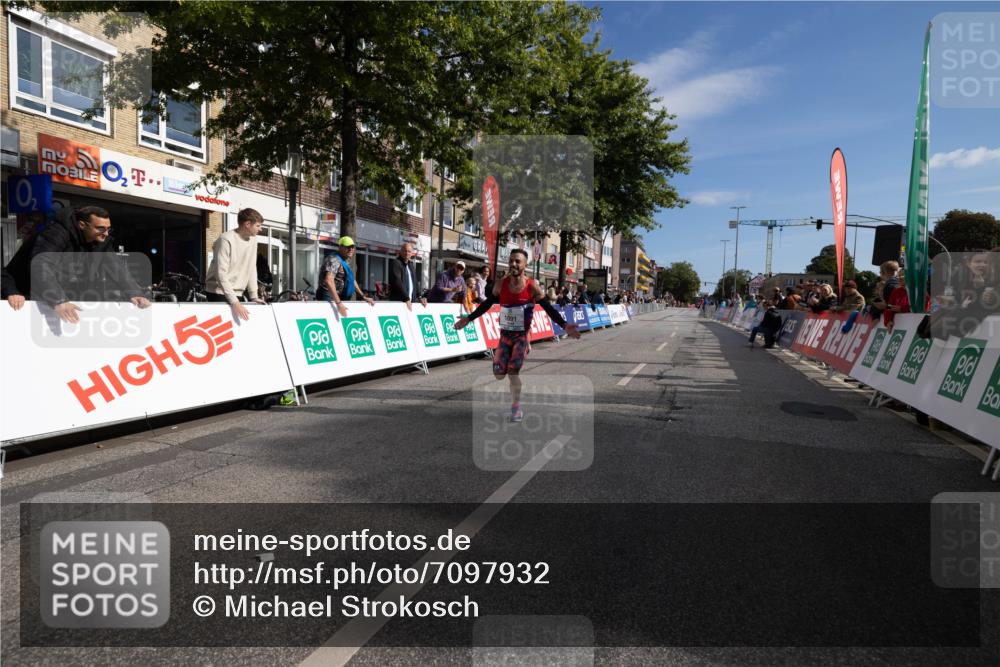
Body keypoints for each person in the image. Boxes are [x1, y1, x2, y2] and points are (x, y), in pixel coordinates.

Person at [454, 249, 580, 422]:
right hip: (505, 337)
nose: (513, 264)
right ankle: (508, 368)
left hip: (522, 337)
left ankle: (516, 408)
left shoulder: (532, 286)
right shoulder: (501, 284)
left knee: (513, 372)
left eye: (517, 261)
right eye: (511, 260)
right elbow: (488, 304)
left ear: (525, 265)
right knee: (499, 374)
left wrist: (564, 325)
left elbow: (548, 308)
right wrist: (469, 318)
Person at [25, 205, 151, 323]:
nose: (106, 233)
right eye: (100, 228)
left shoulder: (101, 240)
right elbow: (41, 264)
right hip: (32, 293)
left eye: (108, 229)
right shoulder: (57, 232)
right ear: (82, 225)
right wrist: (58, 299)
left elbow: (116, 267)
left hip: (64, 294)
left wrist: (135, 293)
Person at [205, 208, 266, 321]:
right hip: (218, 291)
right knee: (223, 326)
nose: (260, 229)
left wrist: (254, 296)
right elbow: (220, 274)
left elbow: (251, 268)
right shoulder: (225, 239)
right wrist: (235, 302)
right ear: (247, 224)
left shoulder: (253, 240)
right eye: (258, 225)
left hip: (237, 292)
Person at [316, 236, 374, 317]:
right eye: (348, 247)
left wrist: (363, 296)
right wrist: (339, 303)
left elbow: (351, 280)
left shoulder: (344, 260)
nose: (351, 249)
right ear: (340, 247)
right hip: (328, 297)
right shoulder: (334, 259)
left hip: (337, 297)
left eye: (352, 247)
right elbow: (329, 280)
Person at [387, 242, 426, 310]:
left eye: (409, 251)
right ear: (401, 251)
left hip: (410, 302)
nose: (407, 253)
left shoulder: (410, 264)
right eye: (405, 251)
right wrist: (406, 298)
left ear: (412, 253)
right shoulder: (396, 263)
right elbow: (397, 282)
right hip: (399, 302)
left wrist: (420, 297)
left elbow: (415, 282)